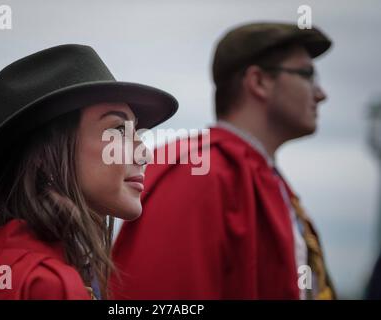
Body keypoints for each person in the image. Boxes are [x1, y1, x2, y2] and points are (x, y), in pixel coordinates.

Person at [110, 22, 336, 299]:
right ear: (259, 82)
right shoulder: (197, 171)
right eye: (307, 75)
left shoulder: (264, 178)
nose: (321, 94)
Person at [0, 44, 178, 300]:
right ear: (44, 154)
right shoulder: (47, 285)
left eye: (136, 133)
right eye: (118, 130)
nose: (144, 153)